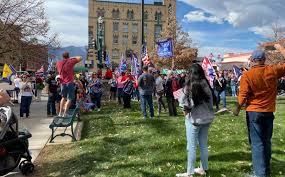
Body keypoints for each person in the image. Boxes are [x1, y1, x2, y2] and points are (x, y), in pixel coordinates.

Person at [234, 47, 285, 177]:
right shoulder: (272, 70)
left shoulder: (247, 75)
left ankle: (260, 174)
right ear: (264, 60)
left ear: (252, 60)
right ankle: (265, 171)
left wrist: (237, 109)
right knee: (266, 141)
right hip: (268, 112)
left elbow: (242, 96)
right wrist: (281, 49)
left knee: (257, 144)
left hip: (254, 112)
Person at [178, 63, 215, 177]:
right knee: (203, 145)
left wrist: (185, 107)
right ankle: (203, 168)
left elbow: (181, 101)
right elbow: (210, 103)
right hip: (207, 119)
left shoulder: (189, 86)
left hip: (193, 120)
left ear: (191, 73)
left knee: (192, 147)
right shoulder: (206, 84)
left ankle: (189, 173)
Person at [56, 52, 82, 117]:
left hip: (62, 83)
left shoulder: (58, 63)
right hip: (69, 82)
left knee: (63, 97)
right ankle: (65, 113)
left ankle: (60, 113)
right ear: (68, 56)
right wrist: (71, 58)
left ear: (62, 56)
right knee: (70, 98)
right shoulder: (70, 61)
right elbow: (80, 57)